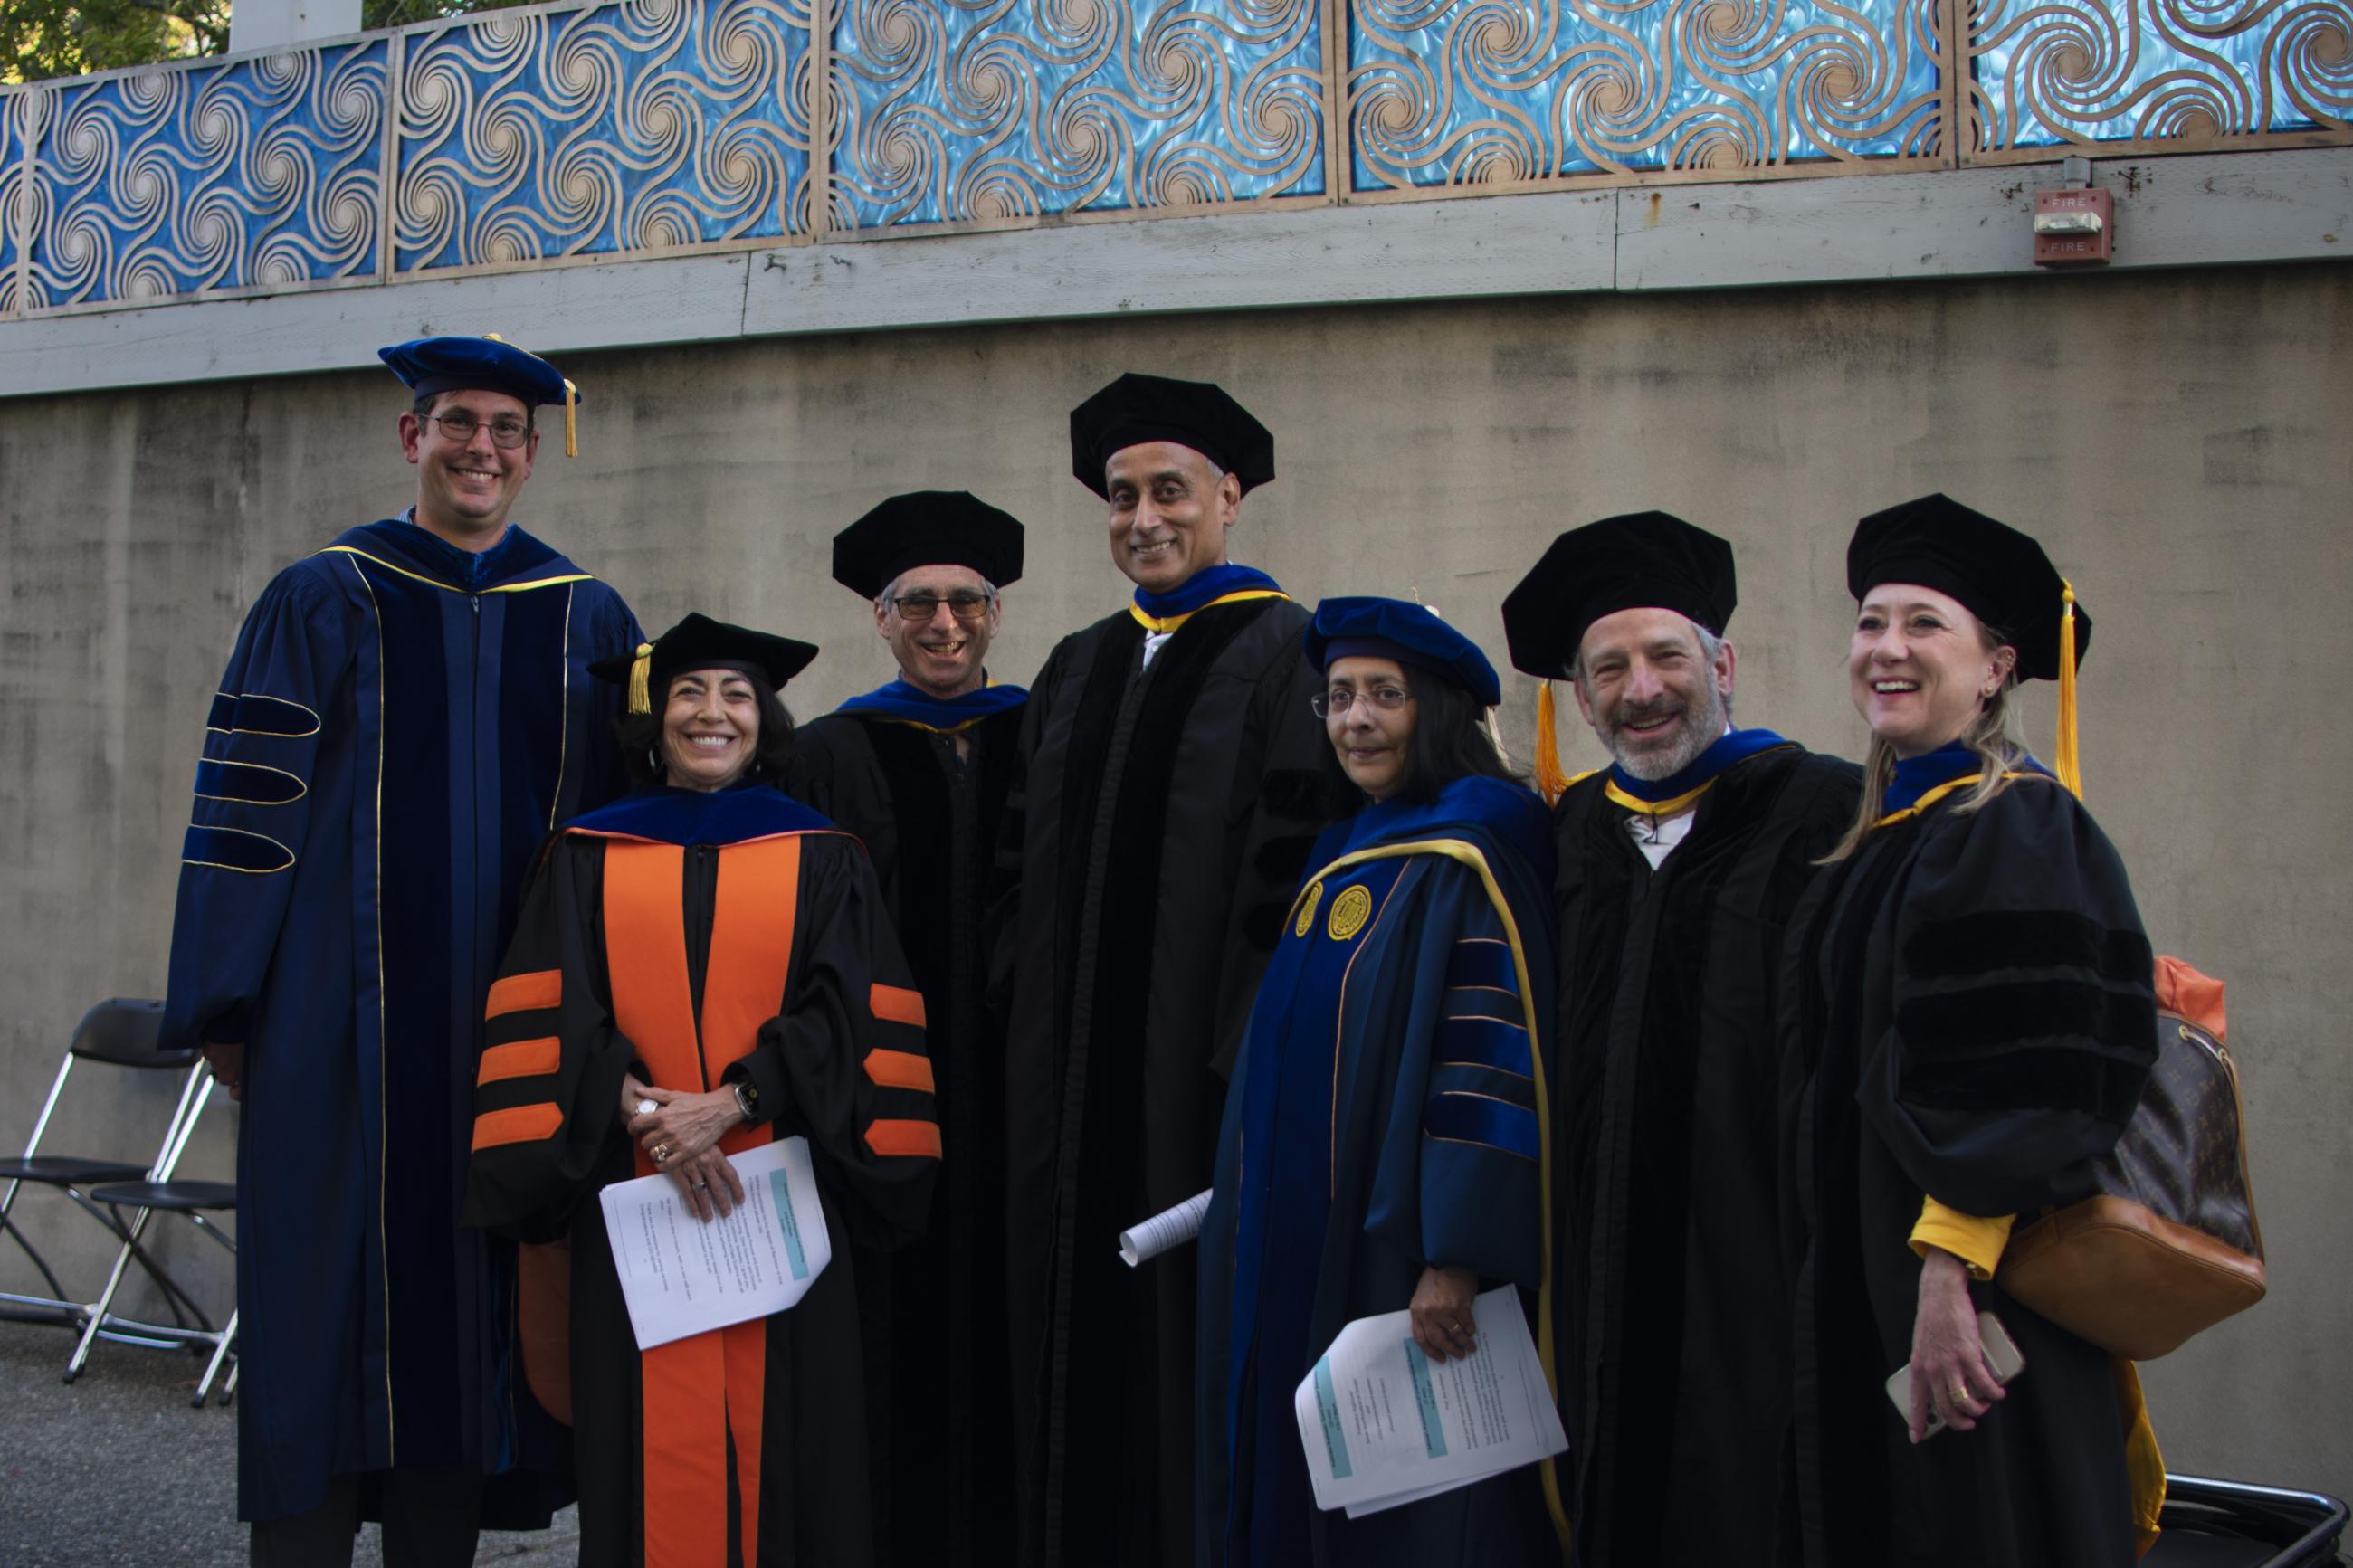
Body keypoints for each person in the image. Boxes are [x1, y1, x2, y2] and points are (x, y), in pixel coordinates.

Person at [159, 335, 639, 1564]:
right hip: (337, 1030)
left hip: (509, 1036)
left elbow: (623, 836)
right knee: (317, 1306)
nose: (483, 447)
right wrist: (229, 1003)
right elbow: (246, 810)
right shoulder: (326, 595)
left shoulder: (586, 616)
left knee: (470, 1325)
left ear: (533, 454)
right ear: (411, 436)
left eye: (506, 430)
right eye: (459, 422)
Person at [462, 613, 943, 1568]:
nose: (711, 713)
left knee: (793, 1454)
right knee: (639, 1451)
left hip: (779, 1194)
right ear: (655, 715)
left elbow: (851, 1012)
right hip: (634, 1198)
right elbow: (549, 1009)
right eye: (688, 693)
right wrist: (640, 1109)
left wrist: (736, 1102)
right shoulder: (586, 852)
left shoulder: (821, 853)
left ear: (762, 718)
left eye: (733, 695)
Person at [1000, 372, 1347, 1568]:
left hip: (1197, 1099)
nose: (1144, 516)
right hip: (1062, 1094)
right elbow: (1017, 880)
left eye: (1171, 491)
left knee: (1184, 1359)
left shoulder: (1291, 651)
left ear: (1230, 496)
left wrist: (1235, 1079)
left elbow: (1290, 884)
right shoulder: (1077, 665)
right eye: (1121, 497)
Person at [1779, 494, 2161, 1566]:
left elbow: (2033, 1072)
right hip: (1881, 1270)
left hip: (1969, 1289)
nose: (1885, 648)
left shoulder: (2015, 819)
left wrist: (1949, 1275)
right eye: (1869, 621)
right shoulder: (1891, 829)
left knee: (1975, 1524)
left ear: (1994, 666)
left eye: (1922, 624)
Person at [1498, 513, 1857, 1564]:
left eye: (1665, 655)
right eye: (1606, 668)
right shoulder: (1562, 837)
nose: (1640, 689)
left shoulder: (1827, 812)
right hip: (1592, 1262)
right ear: (1578, 694)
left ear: (1723, 662)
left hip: (1765, 1251)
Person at [1197, 597, 1570, 1567]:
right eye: (1337, 697)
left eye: (1383, 695)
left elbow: (1485, 1061)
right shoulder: (1341, 850)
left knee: (1414, 1514)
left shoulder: (1479, 844)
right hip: (1291, 1237)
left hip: (1397, 1253)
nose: (1355, 718)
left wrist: (1455, 1252)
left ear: (1436, 708)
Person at [784, 490, 1028, 1567]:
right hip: (883, 1108)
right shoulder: (831, 752)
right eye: (917, 603)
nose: (943, 623)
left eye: (965, 602)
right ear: (878, 619)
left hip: (1024, 1104)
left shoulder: (1043, 731)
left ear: (992, 614)